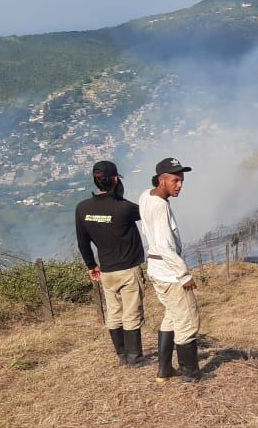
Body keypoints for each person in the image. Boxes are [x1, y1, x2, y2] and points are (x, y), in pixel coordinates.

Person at [74, 161, 147, 367]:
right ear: (116, 179)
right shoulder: (124, 208)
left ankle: (122, 355)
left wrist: (91, 266)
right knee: (131, 312)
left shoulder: (82, 208)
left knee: (114, 313)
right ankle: (135, 358)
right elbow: (147, 212)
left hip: (106, 271)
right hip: (128, 269)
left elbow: (82, 242)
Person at [139, 157, 202, 383]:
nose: (180, 185)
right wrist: (184, 274)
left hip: (156, 269)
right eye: (175, 180)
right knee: (187, 322)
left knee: (171, 317)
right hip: (170, 273)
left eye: (182, 180)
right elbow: (165, 247)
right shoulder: (160, 206)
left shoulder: (146, 195)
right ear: (162, 179)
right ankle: (190, 374)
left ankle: (164, 370)